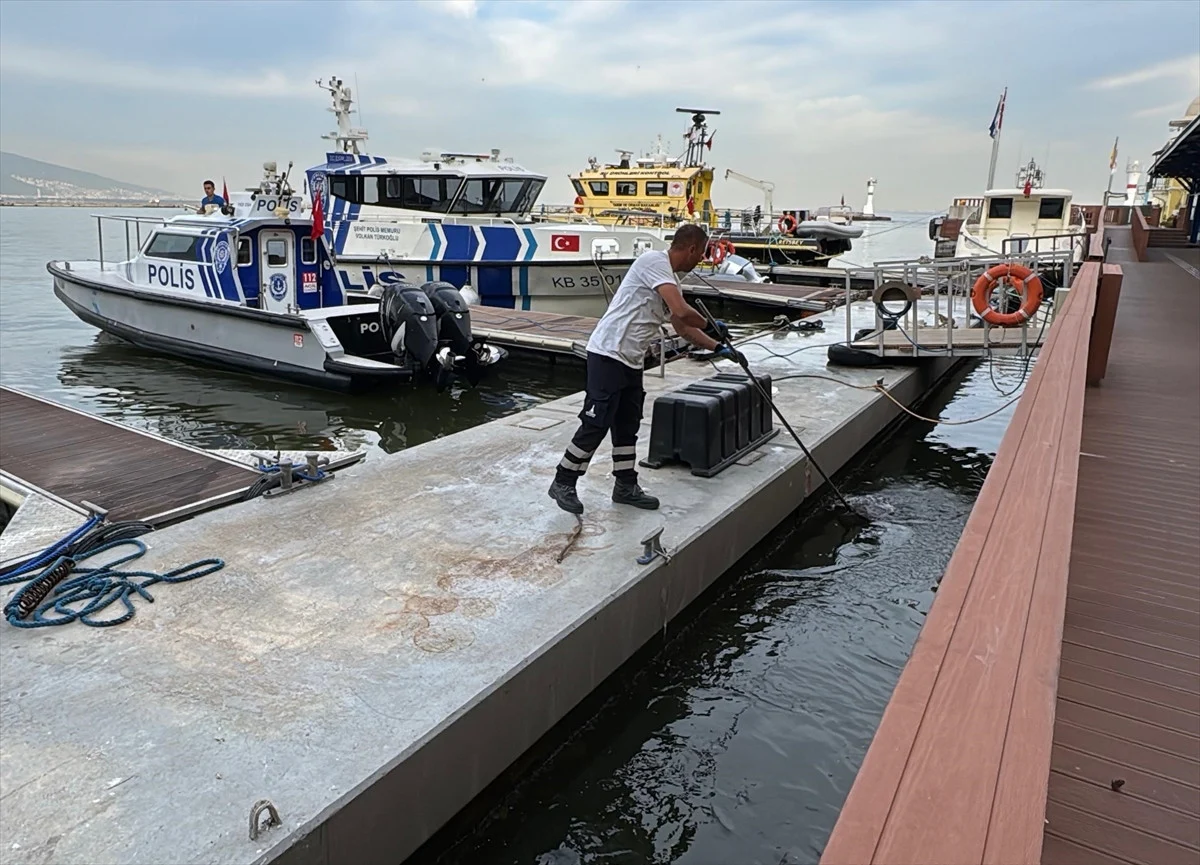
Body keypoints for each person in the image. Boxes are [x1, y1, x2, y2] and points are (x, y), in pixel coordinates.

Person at [548, 224, 745, 515]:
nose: (700, 260)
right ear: (691, 249)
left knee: (628, 424)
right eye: (701, 254)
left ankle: (625, 485)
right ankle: (563, 480)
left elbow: (682, 327)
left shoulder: (670, 281)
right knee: (597, 421)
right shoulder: (653, 262)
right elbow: (682, 312)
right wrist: (711, 324)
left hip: (630, 359)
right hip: (608, 352)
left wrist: (718, 347)